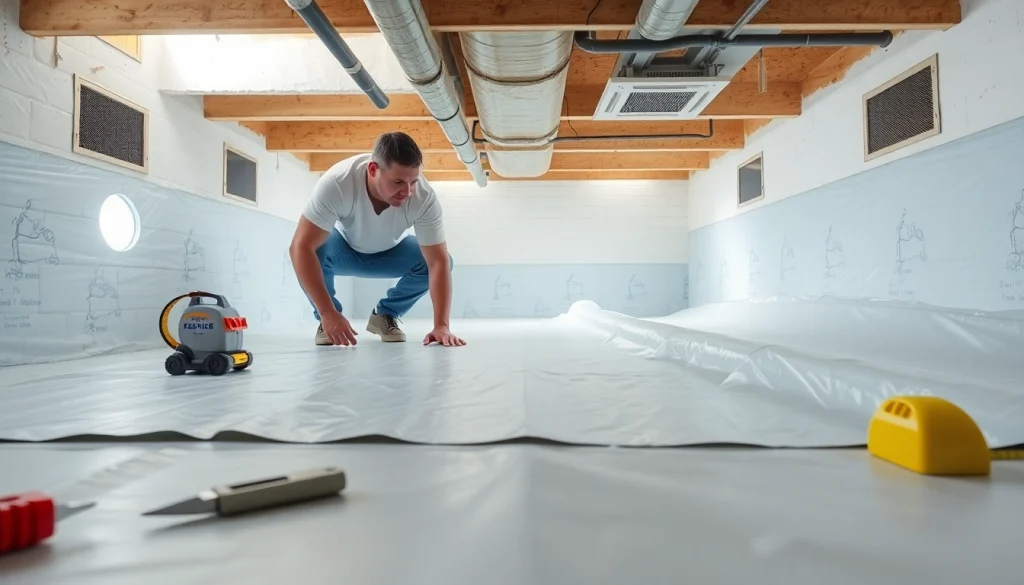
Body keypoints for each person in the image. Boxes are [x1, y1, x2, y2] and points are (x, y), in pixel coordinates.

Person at [289, 131, 466, 347]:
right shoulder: (337, 182)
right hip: (342, 252)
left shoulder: (424, 197)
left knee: (444, 260)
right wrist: (327, 312)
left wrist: (441, 326)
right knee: (313, 246)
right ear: (373, 170)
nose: (407, 191)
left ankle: (385, 316)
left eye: (413, 182)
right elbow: (300, 247)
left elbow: (437, 262)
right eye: (398, 181)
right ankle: (328, 321)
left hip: (390, 254)